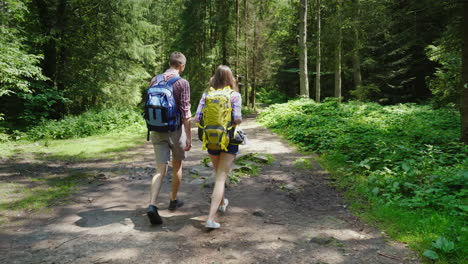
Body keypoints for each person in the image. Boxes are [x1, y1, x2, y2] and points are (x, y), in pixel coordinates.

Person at [146, 52, 192, 225]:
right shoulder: (182, 82)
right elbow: (186, 112)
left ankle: (152, 205)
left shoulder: (155, 79)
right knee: (177, 165)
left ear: (170, 63)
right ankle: (173, 200)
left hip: (156, 129)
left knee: (160, 169)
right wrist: (189, 136)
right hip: (175, 130)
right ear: (182, 66)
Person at [195, 65, 242, 229]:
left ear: (215, 77)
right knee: (221, 177)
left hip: (211, 139)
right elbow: (237, 119)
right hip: (229, 140)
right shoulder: (234, 95)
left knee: (218, 174)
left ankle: (222, 203)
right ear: (230, 78)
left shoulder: (206, 95)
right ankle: (210, 218)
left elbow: (197, 118)